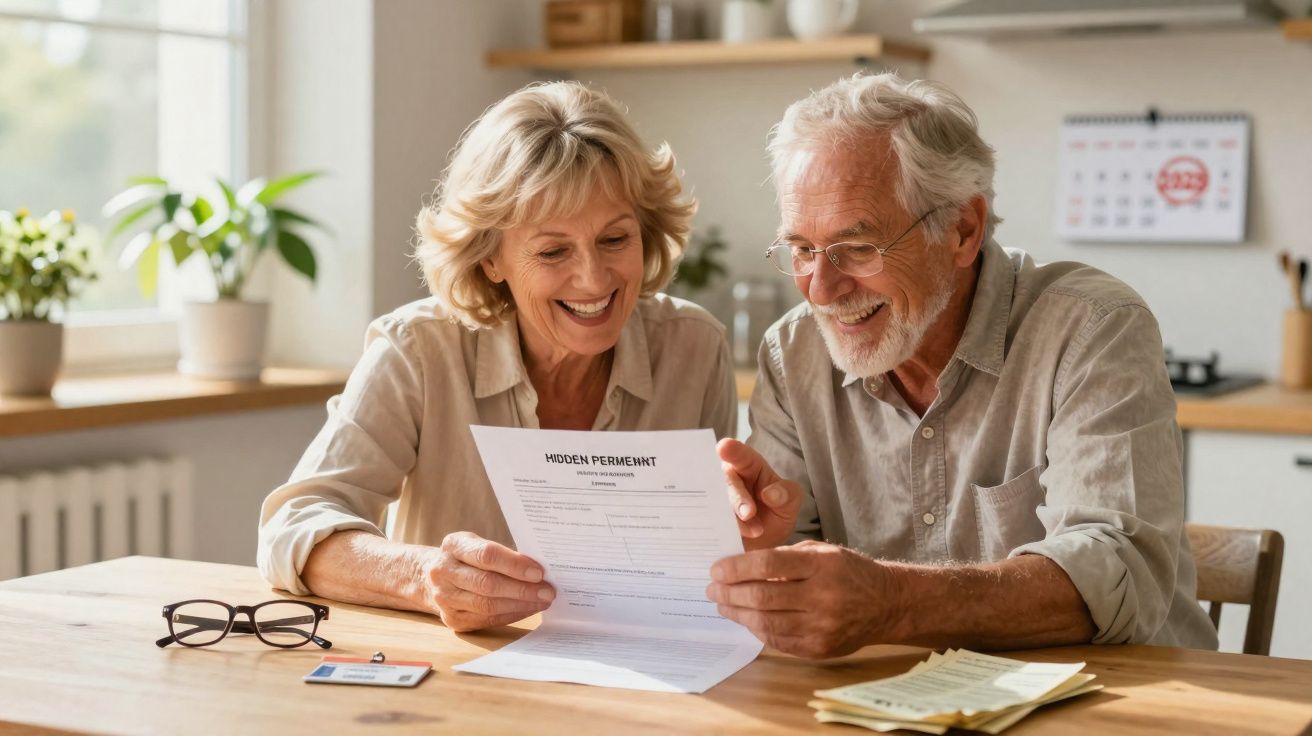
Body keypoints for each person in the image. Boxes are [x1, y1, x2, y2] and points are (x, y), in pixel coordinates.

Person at [710, 73, 1218, 658]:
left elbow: (1115, 571)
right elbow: (792, 582)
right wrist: (757, 547)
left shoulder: (1093, 328)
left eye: (858, 247)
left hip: (1121, 702)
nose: (821, 289)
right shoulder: (792, 353)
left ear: (962, 231)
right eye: (801, 249)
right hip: (894, 701)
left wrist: (890, 600)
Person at [258, 81, 736, 633]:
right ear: (491, 260)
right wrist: (425, 575)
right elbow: (292, 529)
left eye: (614, 240)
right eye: (553, 250)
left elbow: (715, 554)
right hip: (458, 688)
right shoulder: (417, 351)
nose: (593, 278)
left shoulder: (694, 347)